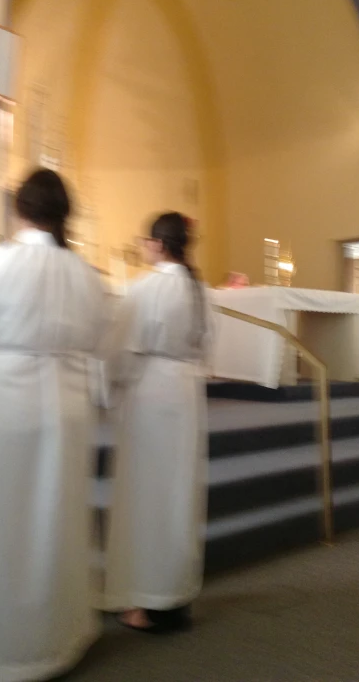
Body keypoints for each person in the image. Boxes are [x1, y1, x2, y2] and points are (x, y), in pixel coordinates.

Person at [0, 169, 107, 682]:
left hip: (1, 407)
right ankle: (53, 642)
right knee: (55, 522)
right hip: (68, 407)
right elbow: (100, 341)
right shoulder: (87, 275)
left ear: (18, 209)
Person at [100, 211, 210, 633]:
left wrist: (108, 393)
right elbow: (206, 346)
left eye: (146, 241)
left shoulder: (146, 288)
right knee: (177, 495)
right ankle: (174, 597)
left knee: (147, 498)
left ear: (158, 245)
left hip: (150, 393)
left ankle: (146, 602)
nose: (144, 247)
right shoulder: (197, 289)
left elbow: (120, 352)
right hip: (184, 392)